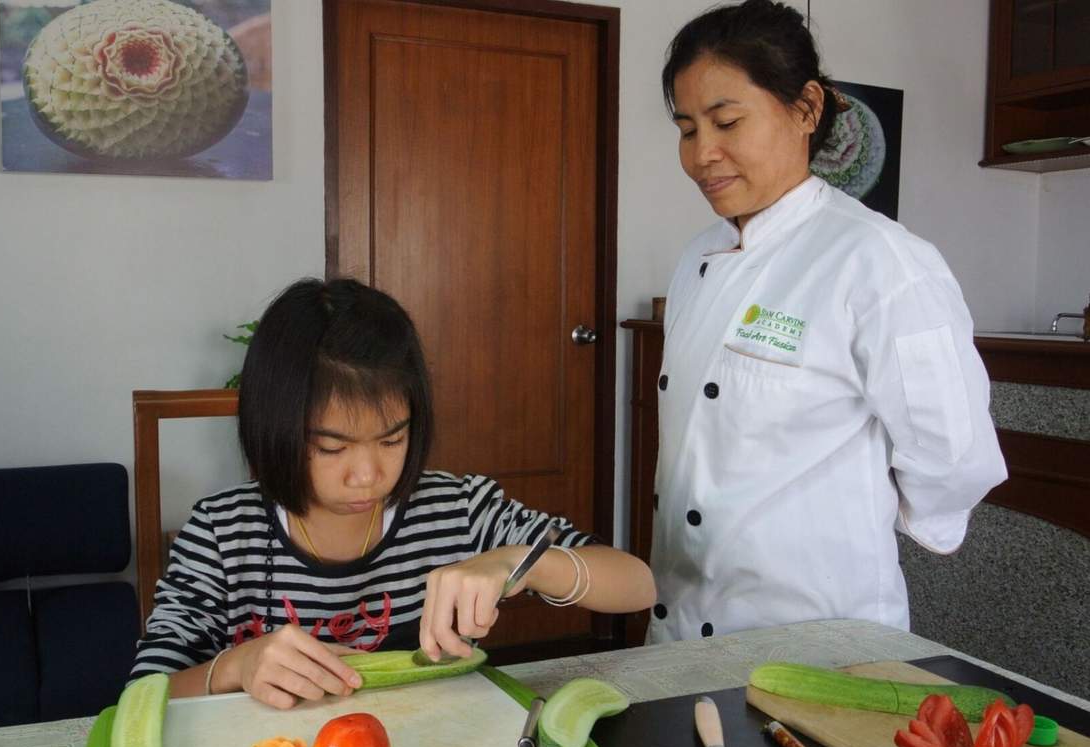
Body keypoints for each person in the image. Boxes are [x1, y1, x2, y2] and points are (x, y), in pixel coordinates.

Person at [648, 0, 1006, 644]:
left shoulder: (882, 262)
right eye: (687, 129)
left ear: (807, 108)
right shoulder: (697, 255)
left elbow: (954, 461)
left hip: (818, 636)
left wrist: (834, 513)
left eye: (727, 121)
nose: (705, 154)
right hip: (678, 623)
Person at [132, 278, 656, 708]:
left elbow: (637, 586)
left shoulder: (458, 509)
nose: (367, 474)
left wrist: (518, 563)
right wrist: (236, 666)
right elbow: (145, 693)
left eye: (392, 439)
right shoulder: (222, 532)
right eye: (331, 446)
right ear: (275, 427)